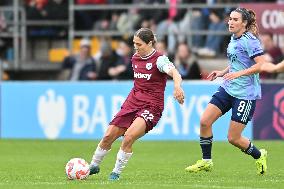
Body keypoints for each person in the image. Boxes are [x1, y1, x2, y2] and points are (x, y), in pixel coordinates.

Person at [89, 28, 185, 181]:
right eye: (134, 43)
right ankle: (93, 166)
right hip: (132, 102)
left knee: (128, 137)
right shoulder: (135, 58)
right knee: (108, 135)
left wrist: (177, 86)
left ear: (150, 43)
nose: (136, 47)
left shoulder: (159, 60)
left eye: (139, 44)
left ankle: (116, 173)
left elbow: (175, 73)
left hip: (152, 106)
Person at [185, 8, 269, 175]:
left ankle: (260, 155)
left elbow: (261, 64)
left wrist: (239, 74)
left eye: (235, 19)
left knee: (233, 138)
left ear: (244, 23)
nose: (230, 22)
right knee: (204, 121)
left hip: (245, 94)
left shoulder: (250, 41)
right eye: (230, 19)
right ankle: (206, 161)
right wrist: (223, 72)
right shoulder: (233, 38)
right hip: (228, 87)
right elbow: (238, 61)